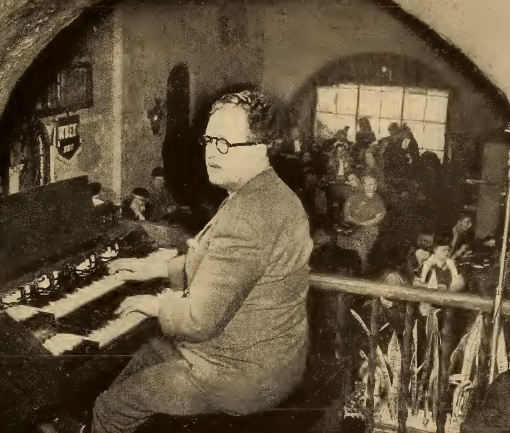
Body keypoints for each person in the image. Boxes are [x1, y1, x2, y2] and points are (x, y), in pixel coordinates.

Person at [89, 90, 313, 433]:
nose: (211, 152)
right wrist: (160, 268)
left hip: (239, 375)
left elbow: (197, 321)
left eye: (224, 143)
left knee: (109, 408)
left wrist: (153, 303)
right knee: (149, 353)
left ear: (260, 147)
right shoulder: (263, 192)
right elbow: (225, 267)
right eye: (209, 140)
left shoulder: (249, 214)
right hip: (272, 357)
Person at [339, 174, 386, 273]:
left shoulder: (378, 200)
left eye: (371, 184)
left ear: (375, 186)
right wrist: (353, 221)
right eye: (366, 184)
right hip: (353, 227)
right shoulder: (356, 197)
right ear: (363, 185)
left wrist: (364, 224)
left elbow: (379, 217)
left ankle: (364, 269)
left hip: (369, 229)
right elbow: (347, 211)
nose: (368, 186)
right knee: (339, 240)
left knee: (360, 243)